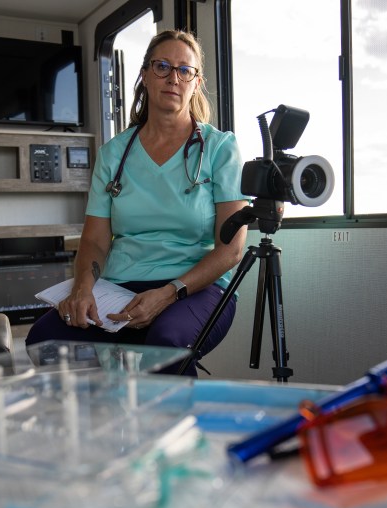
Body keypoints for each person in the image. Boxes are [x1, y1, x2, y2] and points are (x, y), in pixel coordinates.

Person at [26, 29, 249, 376]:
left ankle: (173, 429)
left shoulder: (220, 149)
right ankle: (98, 422)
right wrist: (83, 289)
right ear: (145, 75)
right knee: (46, 338)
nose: (173, 78)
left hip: (194, 287)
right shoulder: (114, 153)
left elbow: (231, 250)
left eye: (184, 70)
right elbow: (95, 240)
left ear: (196, 82)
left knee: (165, 344)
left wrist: (169, 293)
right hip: (118, 286)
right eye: (162, 66)